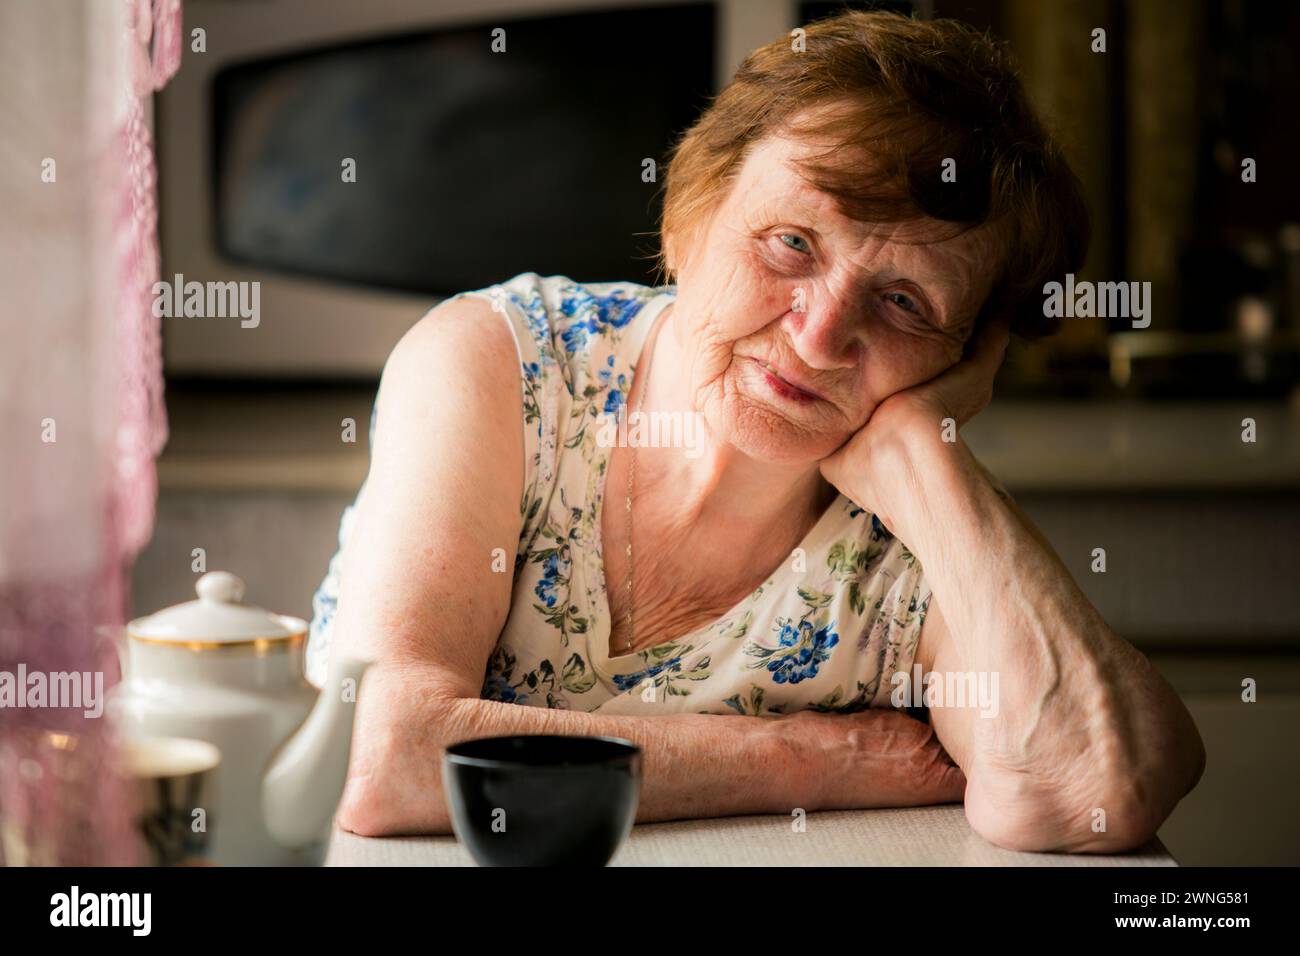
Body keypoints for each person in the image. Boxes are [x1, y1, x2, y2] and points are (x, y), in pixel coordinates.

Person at [310, 11, 1204, 852]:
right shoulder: (503, 363)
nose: (819, 337)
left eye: (904, 304)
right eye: (791, 243)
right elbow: (380, 754)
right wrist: (817, 760)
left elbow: (1089, 790)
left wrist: (924, 460)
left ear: (967, 356)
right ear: (687, 217)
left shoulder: (919, 543)